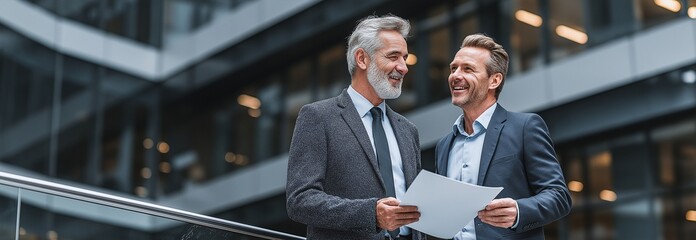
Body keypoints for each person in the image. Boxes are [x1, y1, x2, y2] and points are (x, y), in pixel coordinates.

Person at [286, 15, 424, 240]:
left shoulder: (408, 130)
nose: (403, 67)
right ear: (362, 59)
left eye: (405, 58)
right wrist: (371, 214)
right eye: (393, 56)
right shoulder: (318, 117)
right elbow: (300, 201)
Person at [435, 33, 572, 239]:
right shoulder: (444, 145)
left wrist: (519, 211)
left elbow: (559, 197)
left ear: (494, 80)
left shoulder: (525, 127)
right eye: (454, 68)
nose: (455, 75)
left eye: (468, 69)